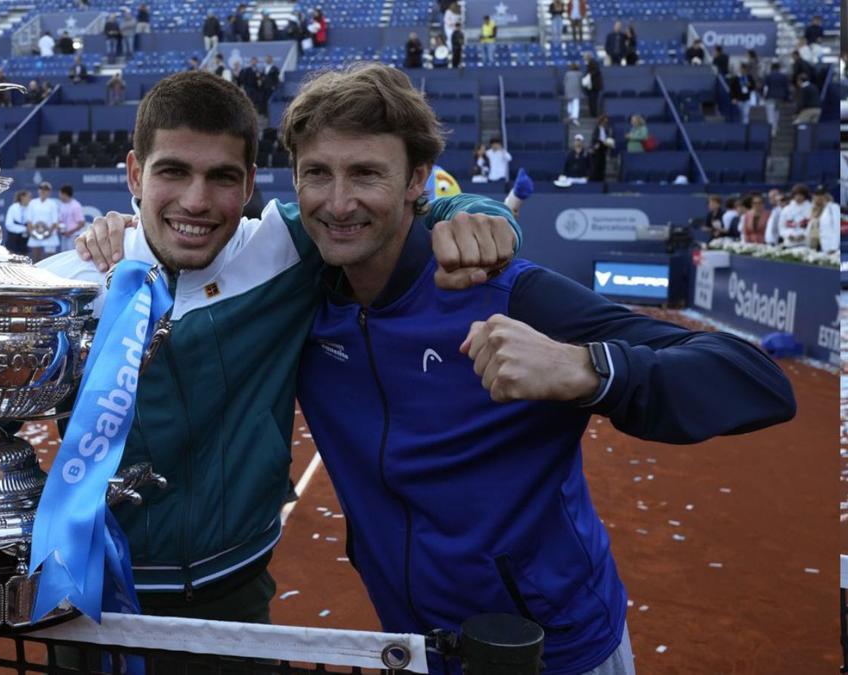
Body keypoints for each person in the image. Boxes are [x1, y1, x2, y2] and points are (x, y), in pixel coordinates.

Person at [0, 69, 519, 627]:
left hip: (235, 599)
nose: (197, 201)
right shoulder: (68, 288)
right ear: (133, 173)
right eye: (173, 172)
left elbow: (399, 208)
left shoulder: (287, 250)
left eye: (222, 177)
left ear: (250, 182)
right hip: (86, 601)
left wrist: (481, 213)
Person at [272, 63, 795, 675]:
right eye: (317, 174)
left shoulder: (506, 292)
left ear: (417, 179)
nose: (338, 202)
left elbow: (758, 381)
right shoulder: (300, 294)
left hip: (558, 653)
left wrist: (587, 368)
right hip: (417, 651)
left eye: (365, 173)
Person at [26, 181, 60, 262]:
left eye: (46, 189)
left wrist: (47, 234)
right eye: (41, 189)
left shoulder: (53, 204)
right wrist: (33, 233)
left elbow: (55, 222)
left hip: (49, 234)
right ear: (38, 190)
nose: (43, 191)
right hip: (35, 234)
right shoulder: (32, 202)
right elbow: (29, 220)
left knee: (51, 259)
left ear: (49, 192)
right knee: (36, 259)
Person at [778, 183, 813, 248]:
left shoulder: (811, 209)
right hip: (789, 243)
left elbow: (812, 226)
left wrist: (804, 235)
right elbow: (781, 227)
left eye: (801, 195)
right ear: (793, 195)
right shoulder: (786, 209)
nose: (798, 197)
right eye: (796, 195)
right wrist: (788, 235)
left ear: (805, 196)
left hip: (805, 244)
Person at [809, 185, 840, 252]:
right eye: (817, 195)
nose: (819, 197)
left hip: (828, 246)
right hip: (814, 246)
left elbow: (837, 229)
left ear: (826, 196)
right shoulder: (813, 209)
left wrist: (834, 247)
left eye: (822, 195)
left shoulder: (833, 207)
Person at [56, 184, 85, 252]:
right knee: (63, 256)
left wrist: (69, 232)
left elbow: (81, 223)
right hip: (64, 236)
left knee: (72, 255)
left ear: (64, 194)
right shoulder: (62, 205)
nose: (59, 196)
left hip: (74, 236)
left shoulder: (75, 206)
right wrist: (60, 228)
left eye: (60, 194)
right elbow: (60, 220)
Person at [762, 61, 789, 129]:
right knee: (777, 113)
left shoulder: (768, 76)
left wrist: (764, 96)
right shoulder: (783, 76)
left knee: (770, 114)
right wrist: (786, 99)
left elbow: (765, 87)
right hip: (780, 97)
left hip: (770, 97)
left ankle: (771, 130)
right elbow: (786, 88)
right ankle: (775, 128)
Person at [4, 189, 31, 255]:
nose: (30, 199)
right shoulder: (13, 208)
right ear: (22, 197)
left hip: (25, 240)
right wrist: (24, 229)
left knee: (24, 260)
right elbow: (9, 224)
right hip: (13, 239)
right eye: (29, 197)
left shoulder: (31, 208)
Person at [589, 113, 614, 181]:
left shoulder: (606, 129)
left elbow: (608, 138)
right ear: (601, 121)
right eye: (604, 121)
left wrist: (609, 142)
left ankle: (601, 180)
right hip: (597, 148)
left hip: (603, 148)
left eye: (606, 122)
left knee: (602, 166)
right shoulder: (597, 128)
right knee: (596, 166)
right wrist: (594, 146)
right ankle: (595, 180)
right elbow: (594, 138)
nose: (605, 123)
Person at [583, 52, 603, 117]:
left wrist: (589, 75)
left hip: (594, 87)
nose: (584, 58)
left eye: (585, 57)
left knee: (593, 101)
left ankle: (594, 114)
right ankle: (593, 114)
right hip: (592, 87)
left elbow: (596, 71)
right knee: (591, 101)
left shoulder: (593, 63)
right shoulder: (590, 63)